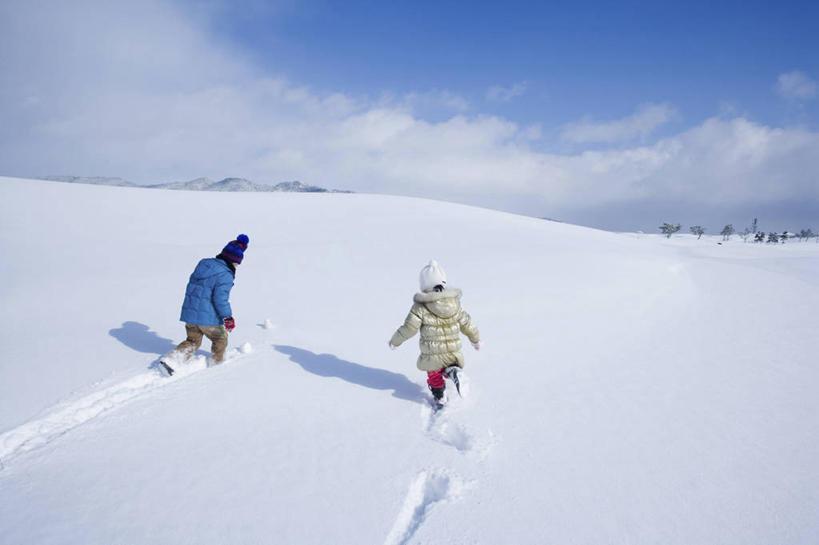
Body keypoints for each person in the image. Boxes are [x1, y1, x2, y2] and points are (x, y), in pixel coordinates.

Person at [389, 260, 481, 407]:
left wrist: (395, 341)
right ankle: (453, 371)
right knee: (447, 366)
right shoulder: (454, 303)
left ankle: (440, 397)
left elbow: (409, 328)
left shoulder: (420, 306)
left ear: (424, 285)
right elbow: (466, 323)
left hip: (432, 354)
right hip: (453, 352)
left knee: (434, 374)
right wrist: (475, 340)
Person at [159, 234, 249, 375]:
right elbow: (220, 299)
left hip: (190, 314)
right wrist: (227, 317)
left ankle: (171, 361)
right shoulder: (225, 274)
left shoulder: (203, 264)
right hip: (207, 319)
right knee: (220, 339)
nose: (237, 266)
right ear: (233, 261)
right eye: (238, 263)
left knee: (193, 341)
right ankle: (216, 366)